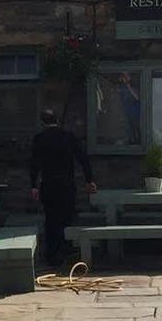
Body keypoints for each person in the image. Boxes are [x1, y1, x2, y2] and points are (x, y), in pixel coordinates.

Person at [30, 107, 96, 265]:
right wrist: (89, 180)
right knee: (67, 217)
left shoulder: (39, 138)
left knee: (51, 219)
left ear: (43, 122)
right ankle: (66, 251)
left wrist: (33, 185)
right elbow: (82, 158)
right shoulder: (68, 136)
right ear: (57, 120)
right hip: (66, 183)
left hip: (49, 183)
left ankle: (52, 254)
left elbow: (34, 164)